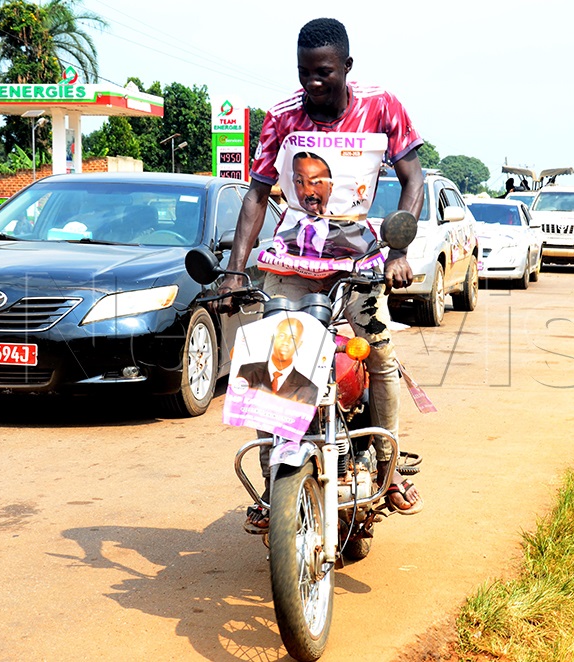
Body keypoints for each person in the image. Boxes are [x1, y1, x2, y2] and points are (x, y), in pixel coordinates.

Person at [217, 17, 425, 532]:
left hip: (358, 266)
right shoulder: (282, 117)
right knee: (272, 370)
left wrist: (398, 251)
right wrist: (235, 271)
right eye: (304, 72)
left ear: (346, 67)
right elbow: (257, 194)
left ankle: (387, 469)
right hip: (290, 264)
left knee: (381, 356)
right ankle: (274, 487)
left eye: (324, 73)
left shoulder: (381, 106)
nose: (312, 83)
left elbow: (413, 179)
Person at [236, 317, 320, 405]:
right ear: (273, 338)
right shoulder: (246, 372)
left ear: (299, 344)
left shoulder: (309, 389)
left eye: (293, 338)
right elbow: (235, 406)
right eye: (282, 336)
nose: (286, 342)